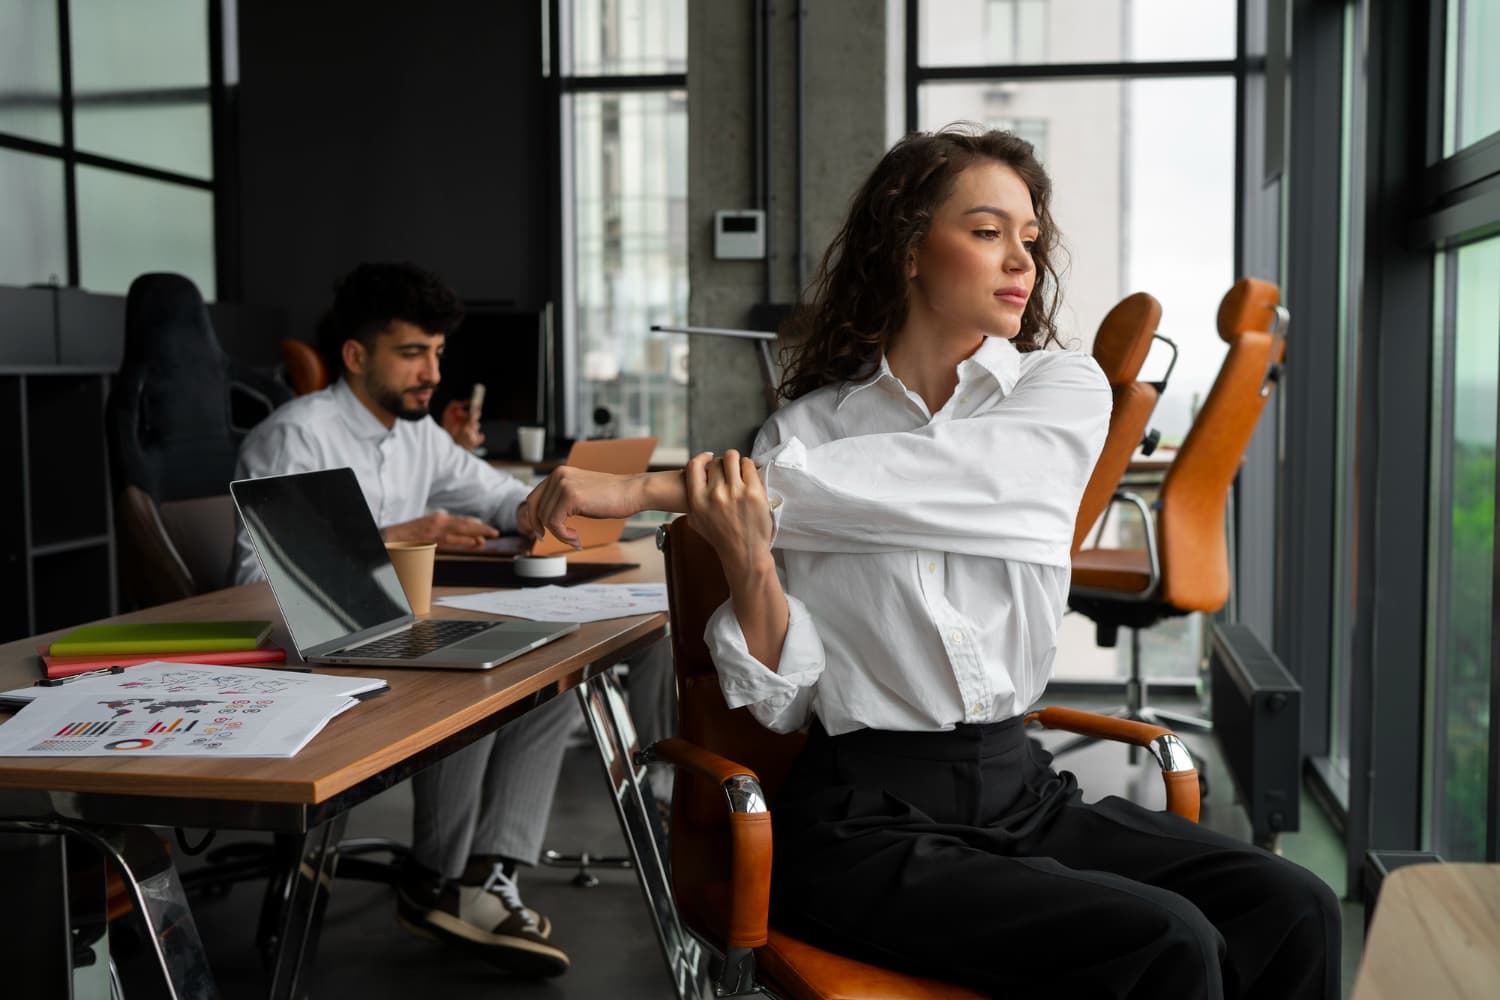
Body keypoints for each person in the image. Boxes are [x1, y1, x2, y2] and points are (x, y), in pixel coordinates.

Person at [522, 125, 1341, 998]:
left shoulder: (1059, 391)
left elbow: (977, 487)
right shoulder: (805, 434)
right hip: (861, 821)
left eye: (1029, 238)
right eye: (988, 232)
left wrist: (656, 489)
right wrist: (752, 562)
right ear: (910, 249)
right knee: (1166, 942)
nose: (1021, 260)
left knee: (1295, 905)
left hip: (1022, 792)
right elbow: (792, 701)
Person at [232, 262, 581, 977]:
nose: (432, 371)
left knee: (557, 669)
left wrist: (549, 503)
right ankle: (432, 880)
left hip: (391, 630)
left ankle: (488, 873)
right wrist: (400, 535)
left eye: (438, 352)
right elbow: (247, 585)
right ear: (357, 356)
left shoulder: (416, 434)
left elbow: (495, 496)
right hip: (314, 646)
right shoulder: (297, 437)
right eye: (413, 353)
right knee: (481, 676)